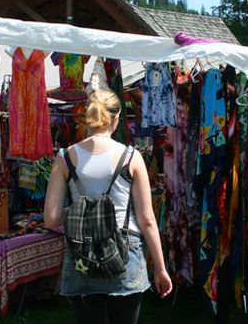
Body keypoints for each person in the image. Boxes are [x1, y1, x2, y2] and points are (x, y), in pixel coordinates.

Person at [45, 89, 172, 324]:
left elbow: (51, 218)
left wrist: (82, 212)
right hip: (125, 251)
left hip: (83, 254)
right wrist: (161, 268)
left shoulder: (65, 157)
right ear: (116, 118)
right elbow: (147, 219)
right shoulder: (131, 157)